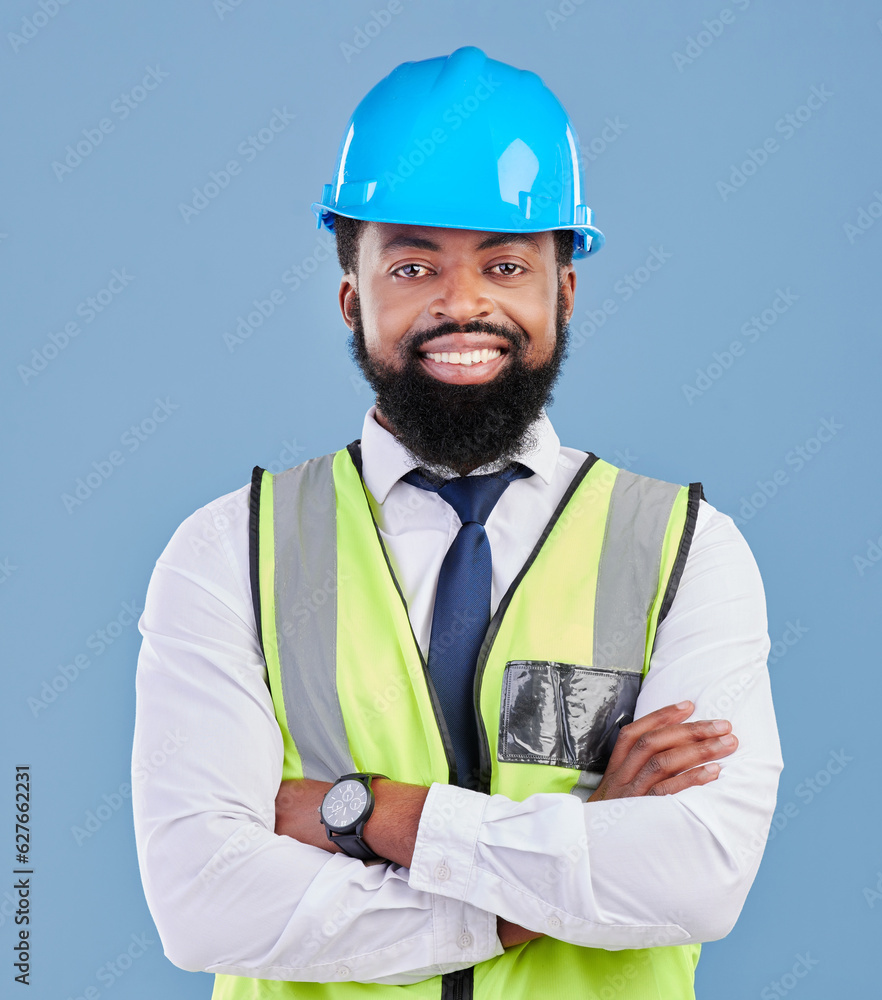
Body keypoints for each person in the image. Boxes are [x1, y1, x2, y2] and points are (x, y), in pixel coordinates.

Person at [132, 46, 782, 1000]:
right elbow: (204, 903)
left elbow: (695, 881)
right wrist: (543, 888)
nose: (463, 303)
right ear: (354, 298)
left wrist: (366, 815)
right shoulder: (231, 550)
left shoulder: (685, 550)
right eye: (413, 265)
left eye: (506, 263)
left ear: (562, 289)